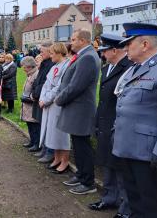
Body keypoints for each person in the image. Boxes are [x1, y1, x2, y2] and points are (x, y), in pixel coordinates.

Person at [112, 23, 157, 217]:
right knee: (136, 205)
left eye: (129, 43)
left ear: (144, 44)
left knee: (154, 208)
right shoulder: (137, 69)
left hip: (150, 156)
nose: (125, 48)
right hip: (129, 150)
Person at [88, 34, 132, 218]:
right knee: (107, 164)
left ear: (114, 50)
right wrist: (96, 123)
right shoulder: (106, 69)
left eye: (104, 51)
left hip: (119, 126)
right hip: (105, 124)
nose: (102, 54)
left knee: (121, 169)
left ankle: (125, 207)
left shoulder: (128, 68)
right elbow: (102, 100)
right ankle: (108, 198)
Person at [55, 29, 101, 195]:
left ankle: (88, 182)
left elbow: (76, 86)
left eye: (73, 39)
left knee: (83, 146)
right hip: (76, 109)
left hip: (80, 109)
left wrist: (59, 99)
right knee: (78, 144)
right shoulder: (84, 55)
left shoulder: (88, 57)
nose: (71, 42)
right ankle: (81, 174)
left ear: (82, 40)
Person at [38, 43, 70, 174]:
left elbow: (60, 87)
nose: (50, 56)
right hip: (48, 104)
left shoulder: (67, 66)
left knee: (61, 134)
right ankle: (56, 158)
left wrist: (46, 100)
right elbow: (46, 84)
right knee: (52, 132)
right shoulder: (54, 67)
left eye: (52, 53)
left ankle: (65, 161)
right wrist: (42, 98)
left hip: (57, 104)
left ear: (59, 53)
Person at [31, 43, 55, 163]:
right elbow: (37, 80)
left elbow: (46, 82)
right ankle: (44, 149)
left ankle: (49, 151)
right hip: (39, 97)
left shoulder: (51, 64)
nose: (40, 54)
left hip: (44, 98)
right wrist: (34, 91)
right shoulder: (44, 64)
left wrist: (36, 92)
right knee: (42, 124)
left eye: (42, 52)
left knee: (47, 127)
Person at [20, 57, 40, 149]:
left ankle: (36, 143)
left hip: (32, 103)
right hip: (27, 103)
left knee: (34, 125)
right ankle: (32, 141)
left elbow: (36, 89)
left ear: (29, 66)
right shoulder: (30, 74)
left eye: (24, 66)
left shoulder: (36, 75)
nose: (23, 69)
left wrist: (29, 98)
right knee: (29, 123)